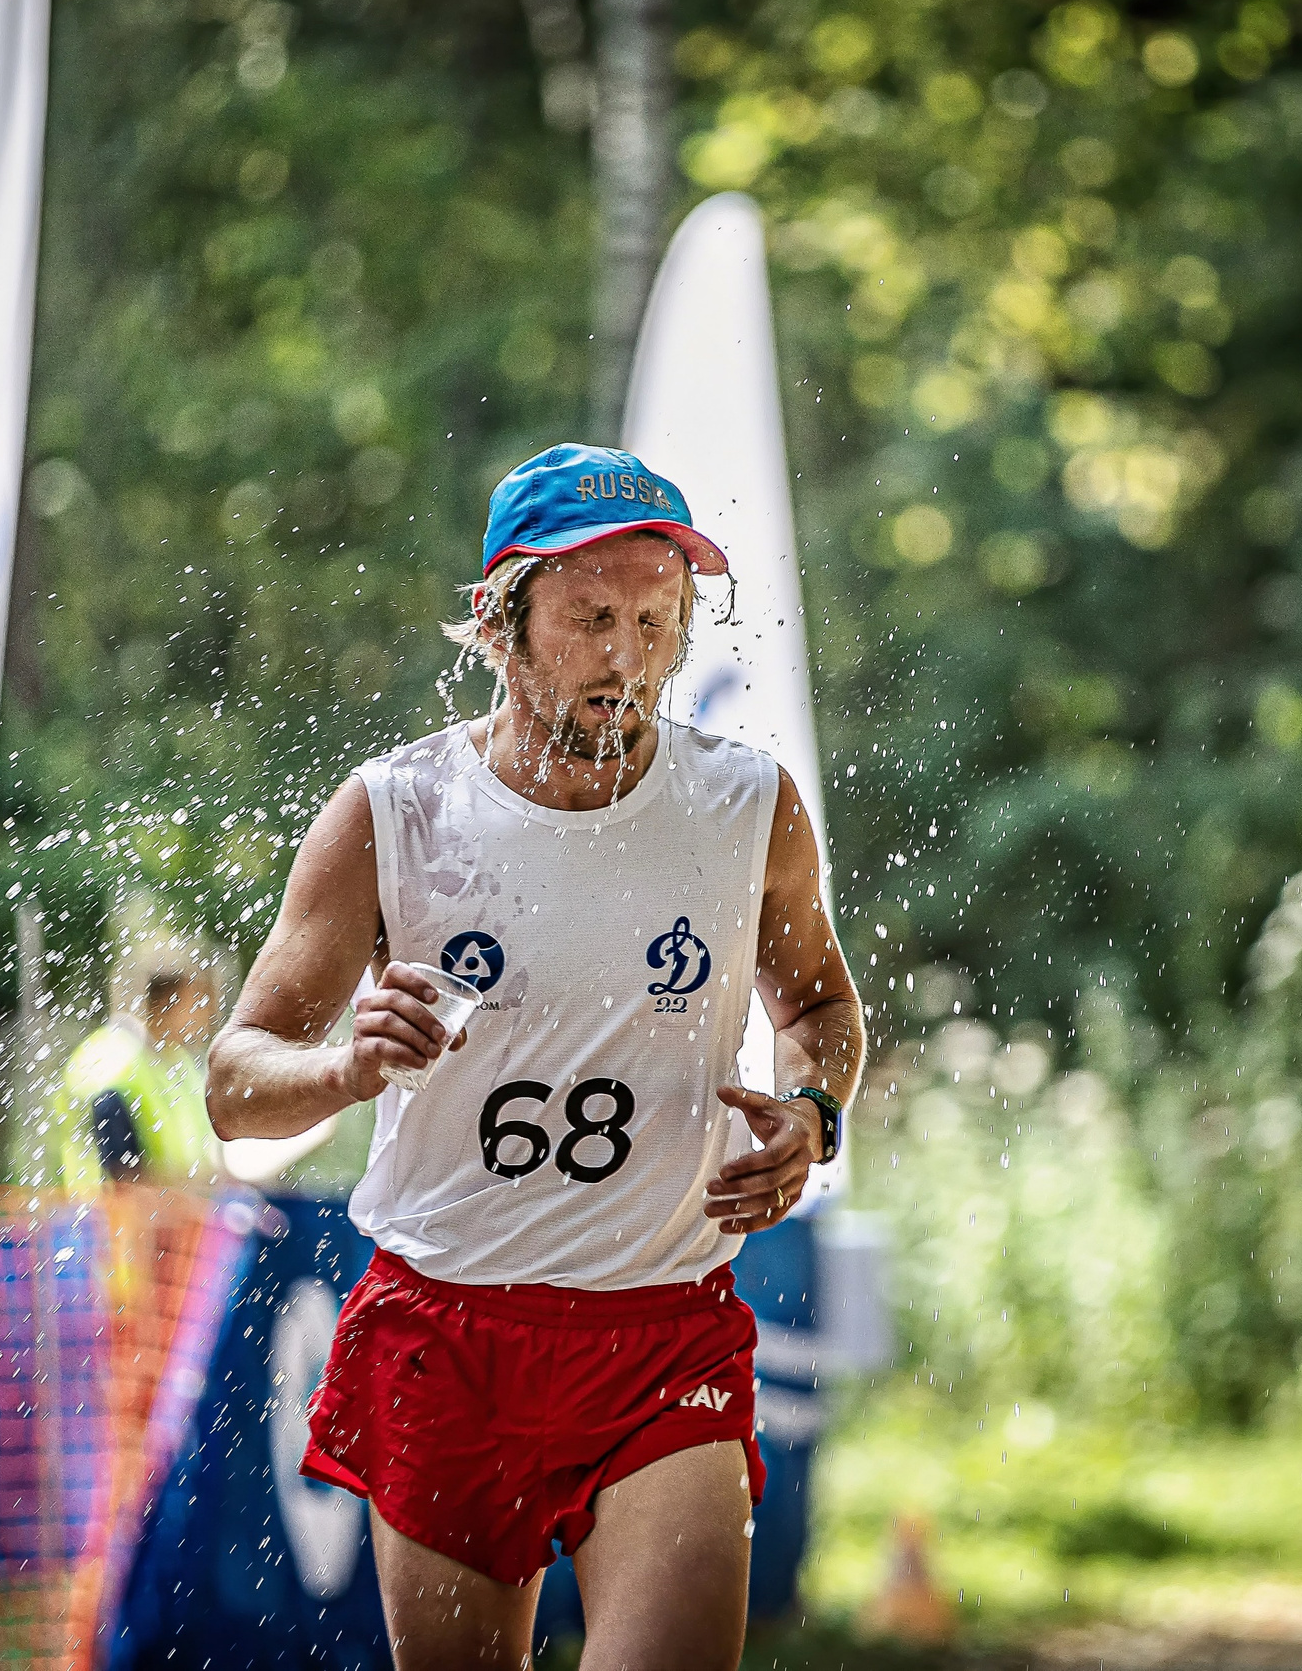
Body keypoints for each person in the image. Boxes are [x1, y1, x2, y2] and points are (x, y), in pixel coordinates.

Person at [208, 443, 864, 1669]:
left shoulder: (747, 805)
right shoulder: (393, 811)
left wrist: (812, 1110)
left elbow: (819, 1001)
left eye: (656, 622)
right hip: (448, 1332)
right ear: (500, 625)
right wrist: (346, 1069)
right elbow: (236, 1087)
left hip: (665, 1332)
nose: (628, 657)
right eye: (590, 620)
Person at [54, 935, 224, 1189]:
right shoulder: (111, 1062)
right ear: (168, 1002)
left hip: (175, 1211)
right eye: (199, 1001)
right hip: (105, 1213)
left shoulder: (178, 1063)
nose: (210, 1014)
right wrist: (202, 1185)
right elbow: (123, 1177)